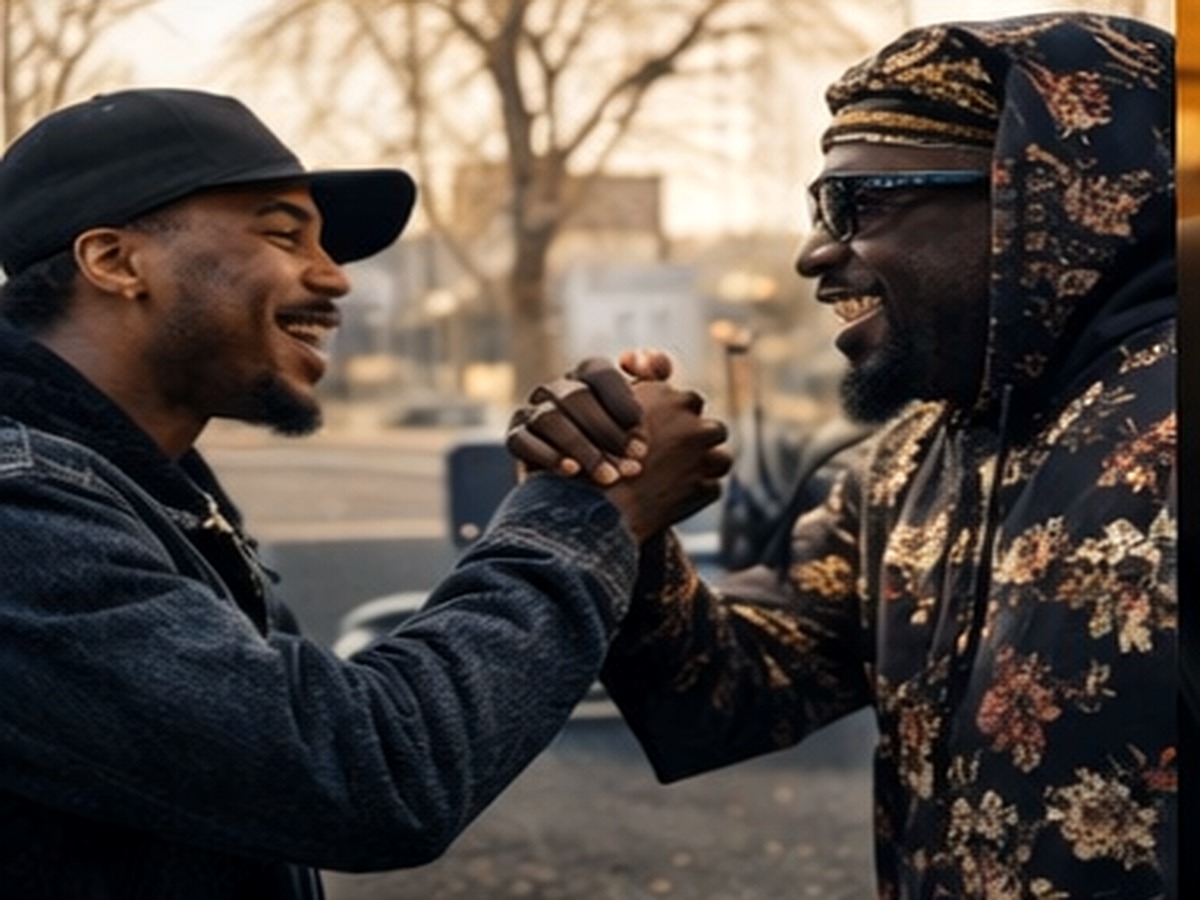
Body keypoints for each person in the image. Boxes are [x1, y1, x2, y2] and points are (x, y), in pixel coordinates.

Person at [0, 88, 730, 899]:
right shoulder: (21, 511)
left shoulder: (142, 489)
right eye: (284, 234)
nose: (334, 278)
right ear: (114, 261)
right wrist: (589, 512)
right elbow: (367, 769)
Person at [508, 13, 1176, 898]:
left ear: (1043, 197)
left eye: (859, 205)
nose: (813, 254)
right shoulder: (905, 462)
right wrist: (612, 503)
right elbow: (734, 691)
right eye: (821, 210)